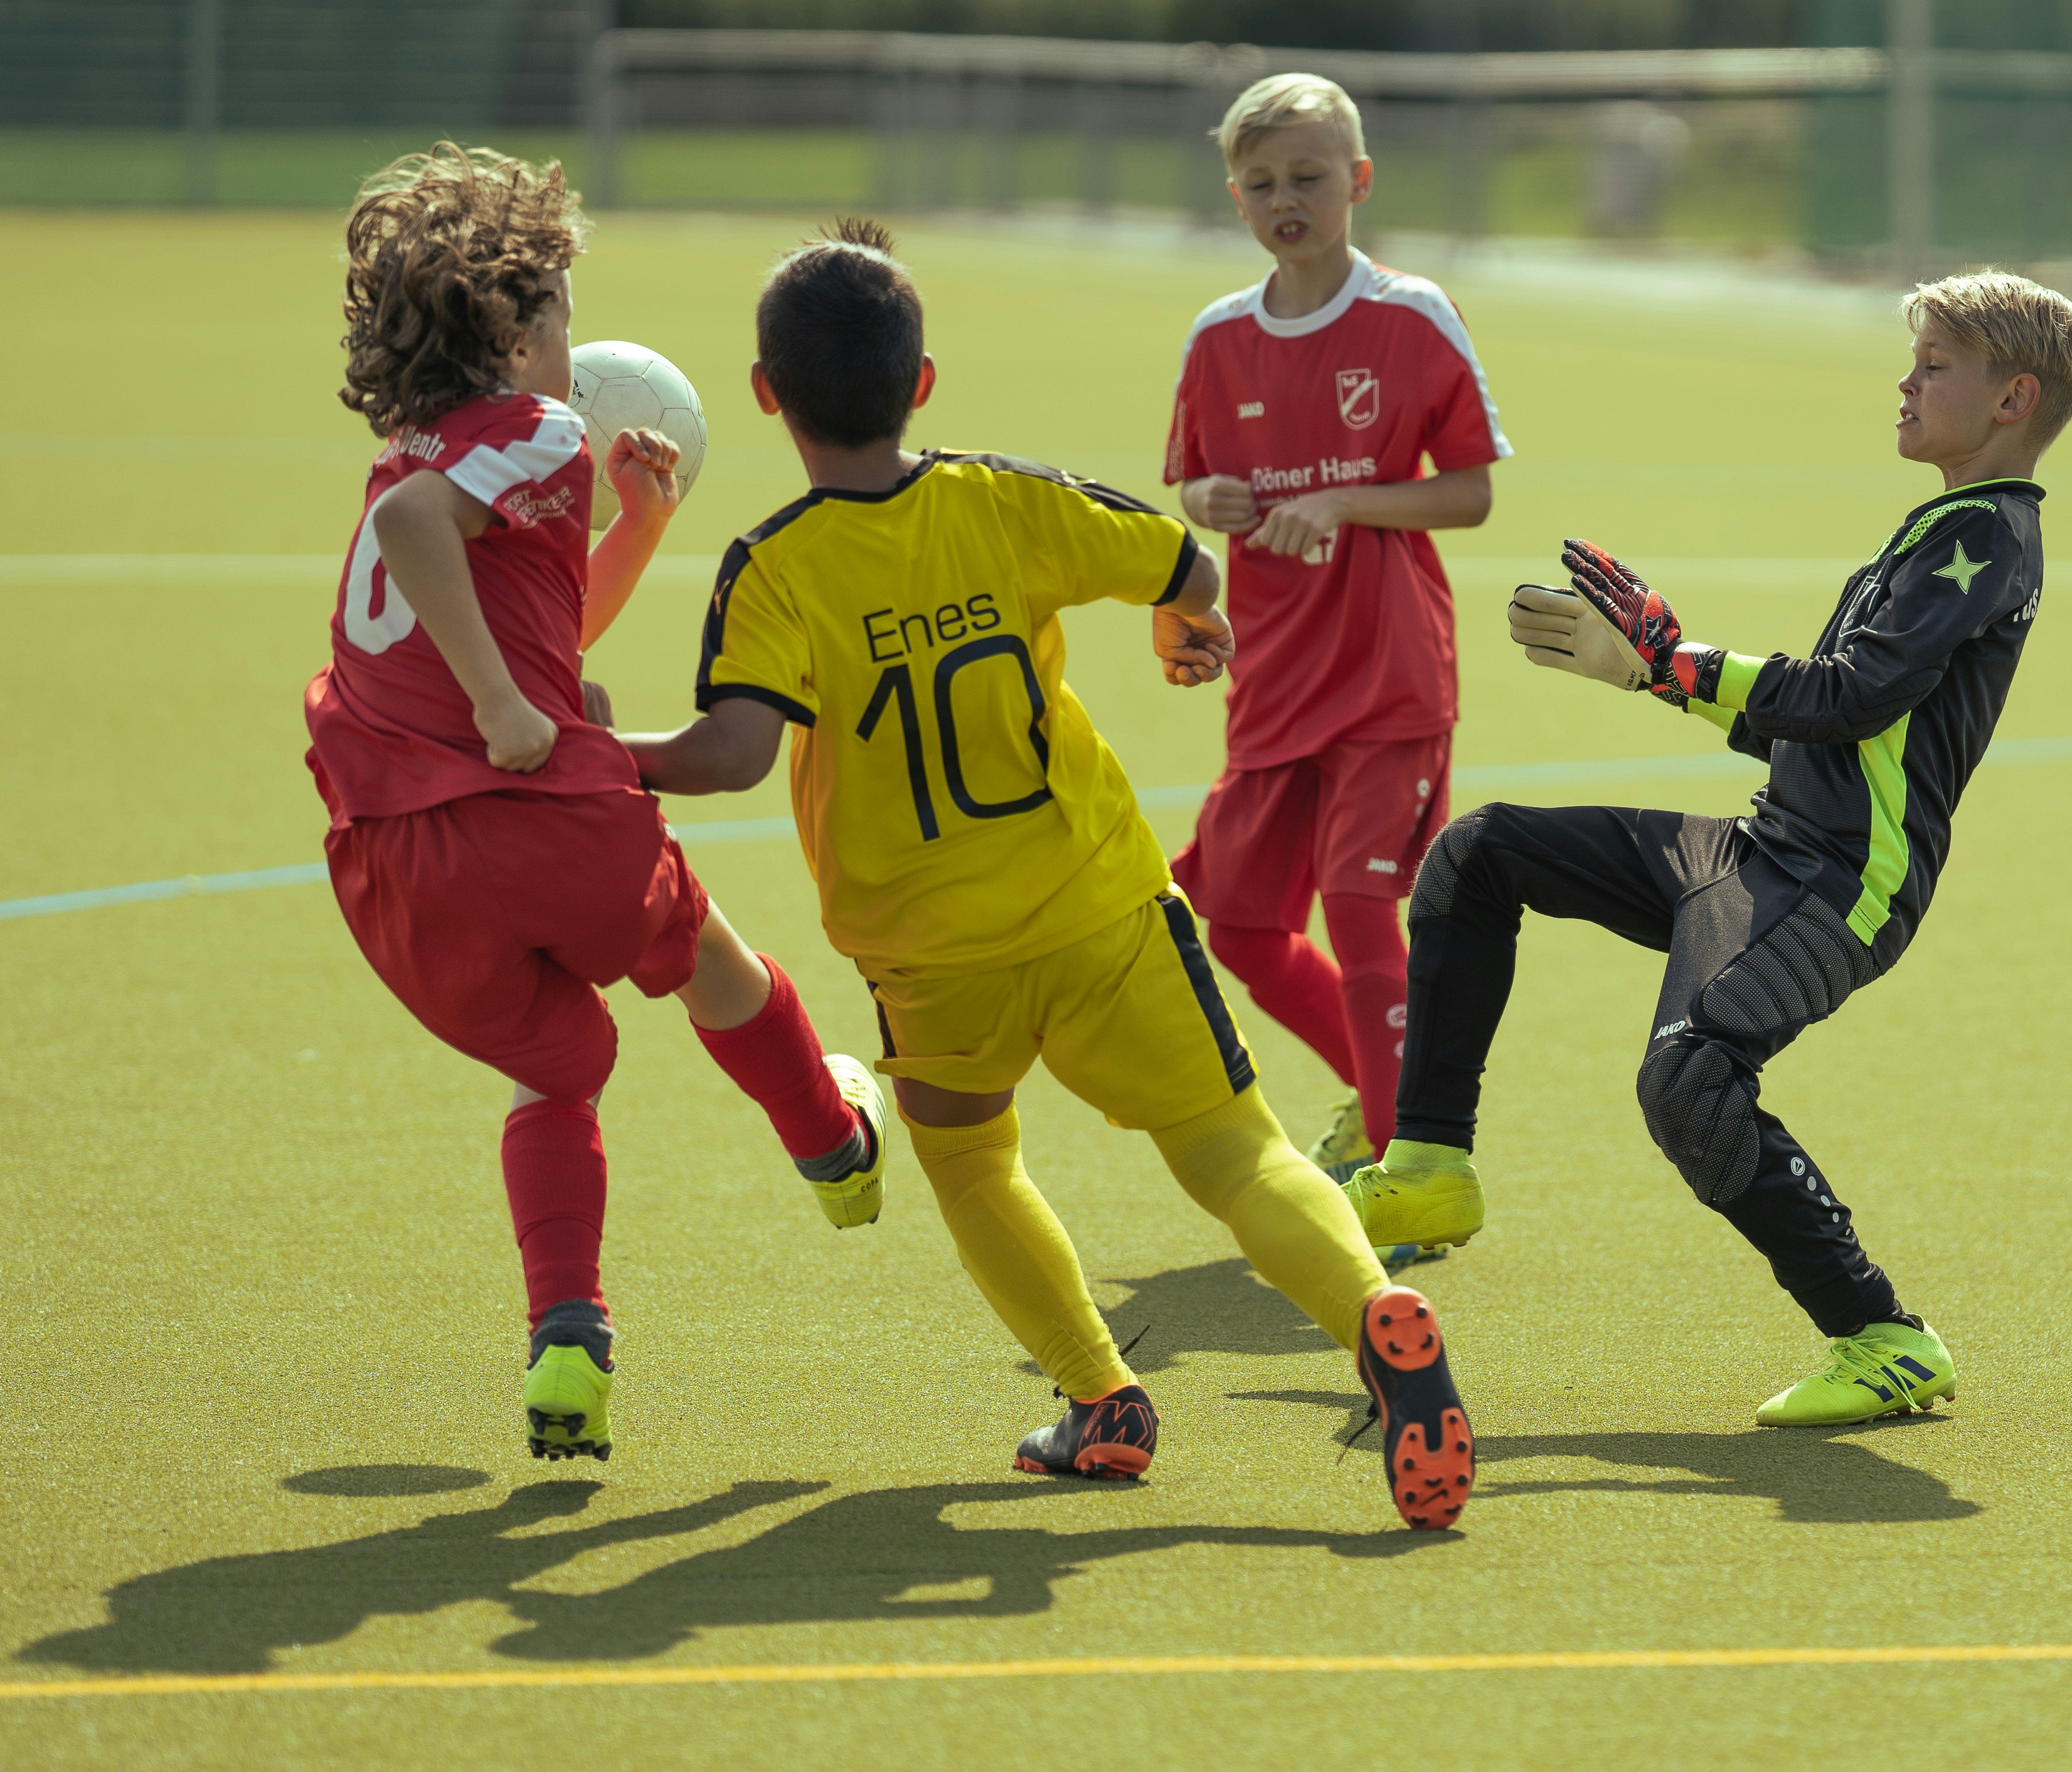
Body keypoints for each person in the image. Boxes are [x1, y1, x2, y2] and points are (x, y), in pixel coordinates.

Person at [624, 220, 1470, 1528]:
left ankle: (1103, 1399)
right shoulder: (1002, 498)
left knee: (972, 1165)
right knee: (1237, 1152)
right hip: (1101, 905)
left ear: (763, 395)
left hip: (933, 956)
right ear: (922, 382)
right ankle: (1374, 1313)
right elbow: (1184, 559)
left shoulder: (772, 568)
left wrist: (596, 752)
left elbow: (728, 757)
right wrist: (1187, 625)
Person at [1347, 270, 2072, 1428]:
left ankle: (1884, 1337)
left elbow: (1850, 695)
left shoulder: (1987, 535)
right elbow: (1811, 720)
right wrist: (1652, 673)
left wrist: (1674, 657)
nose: (1904, 383)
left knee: (1689, 1082)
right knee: (1479, 853)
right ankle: (1432, 1166)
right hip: (1760, 850)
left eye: (1933, 365)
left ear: (2013, 398)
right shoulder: (1948, 527)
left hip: (1837, 886)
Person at [302, 145, 885, 1468]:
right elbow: (419, 537)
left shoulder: (415, 448)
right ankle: (832, 1143)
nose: (574, 341)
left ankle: (568, 1336)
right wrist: (506, 713)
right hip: (534, 819)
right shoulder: (536, 428)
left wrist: (639, 528)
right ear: (514, 331)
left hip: (399, 870)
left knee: (555, 1066)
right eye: (562, 311)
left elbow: (537, 635)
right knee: (708, 956)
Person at [1162, 73, 1507, 1248]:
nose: (1285, 200)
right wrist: (1209, 501)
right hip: (1272, 679)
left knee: (1361, 907)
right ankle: (1376, 1102)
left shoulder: (1410, 316)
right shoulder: (1217, 337)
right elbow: (1198, 486)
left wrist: (1349, 502)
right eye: (1261, 182)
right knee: (1241, 926)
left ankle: (1413, 1169)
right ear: (1235, 196)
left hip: (1387, 672)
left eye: (1308, 177)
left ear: (1357, 181)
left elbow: (1470, 492)